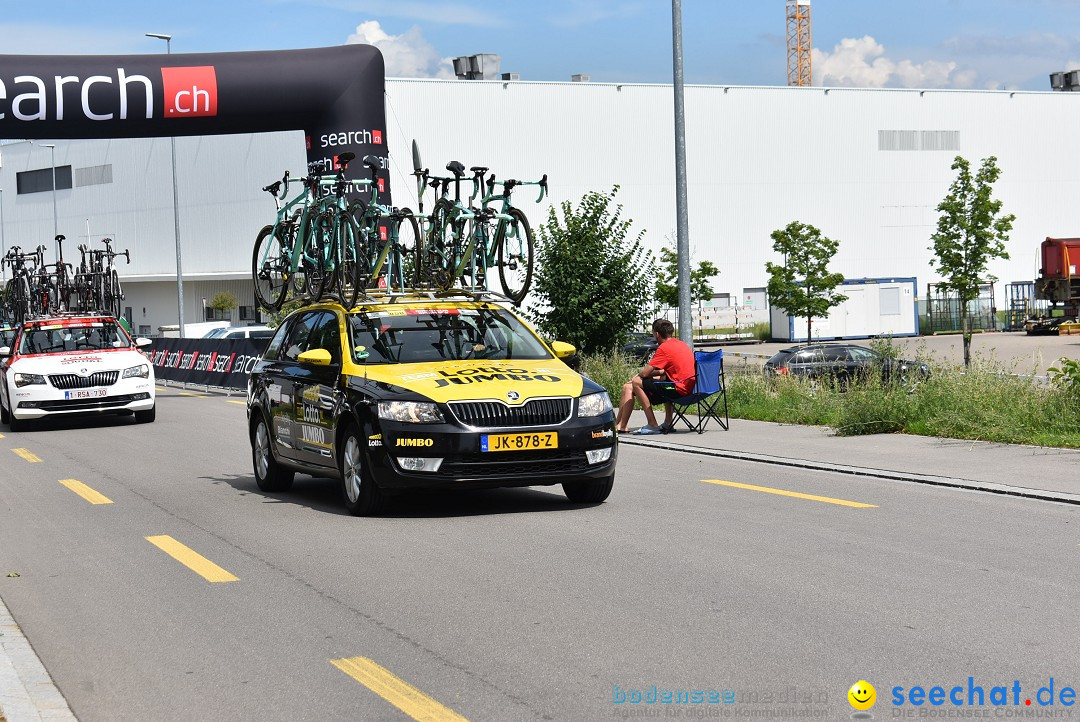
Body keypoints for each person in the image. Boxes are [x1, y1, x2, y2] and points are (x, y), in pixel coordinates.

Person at [615, 318, 696, 435]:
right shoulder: (682, 344)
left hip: (677, 389)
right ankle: (622, 425)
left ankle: (652, 424)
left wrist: (638, 376)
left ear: (657, 334)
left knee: (636, 381)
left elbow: (644, 374)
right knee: (628, 387)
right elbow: (666, 371)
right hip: (687, 387)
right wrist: (656, 374)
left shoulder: (664, 348)